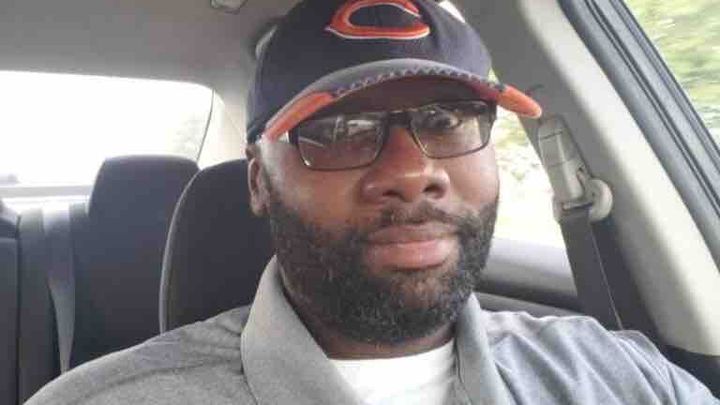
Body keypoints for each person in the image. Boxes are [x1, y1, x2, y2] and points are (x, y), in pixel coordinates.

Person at [28, 0, 719, 404]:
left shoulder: (618, 377)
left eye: (448, 119)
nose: (413, 172)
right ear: (259, 181)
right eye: (341, 131)